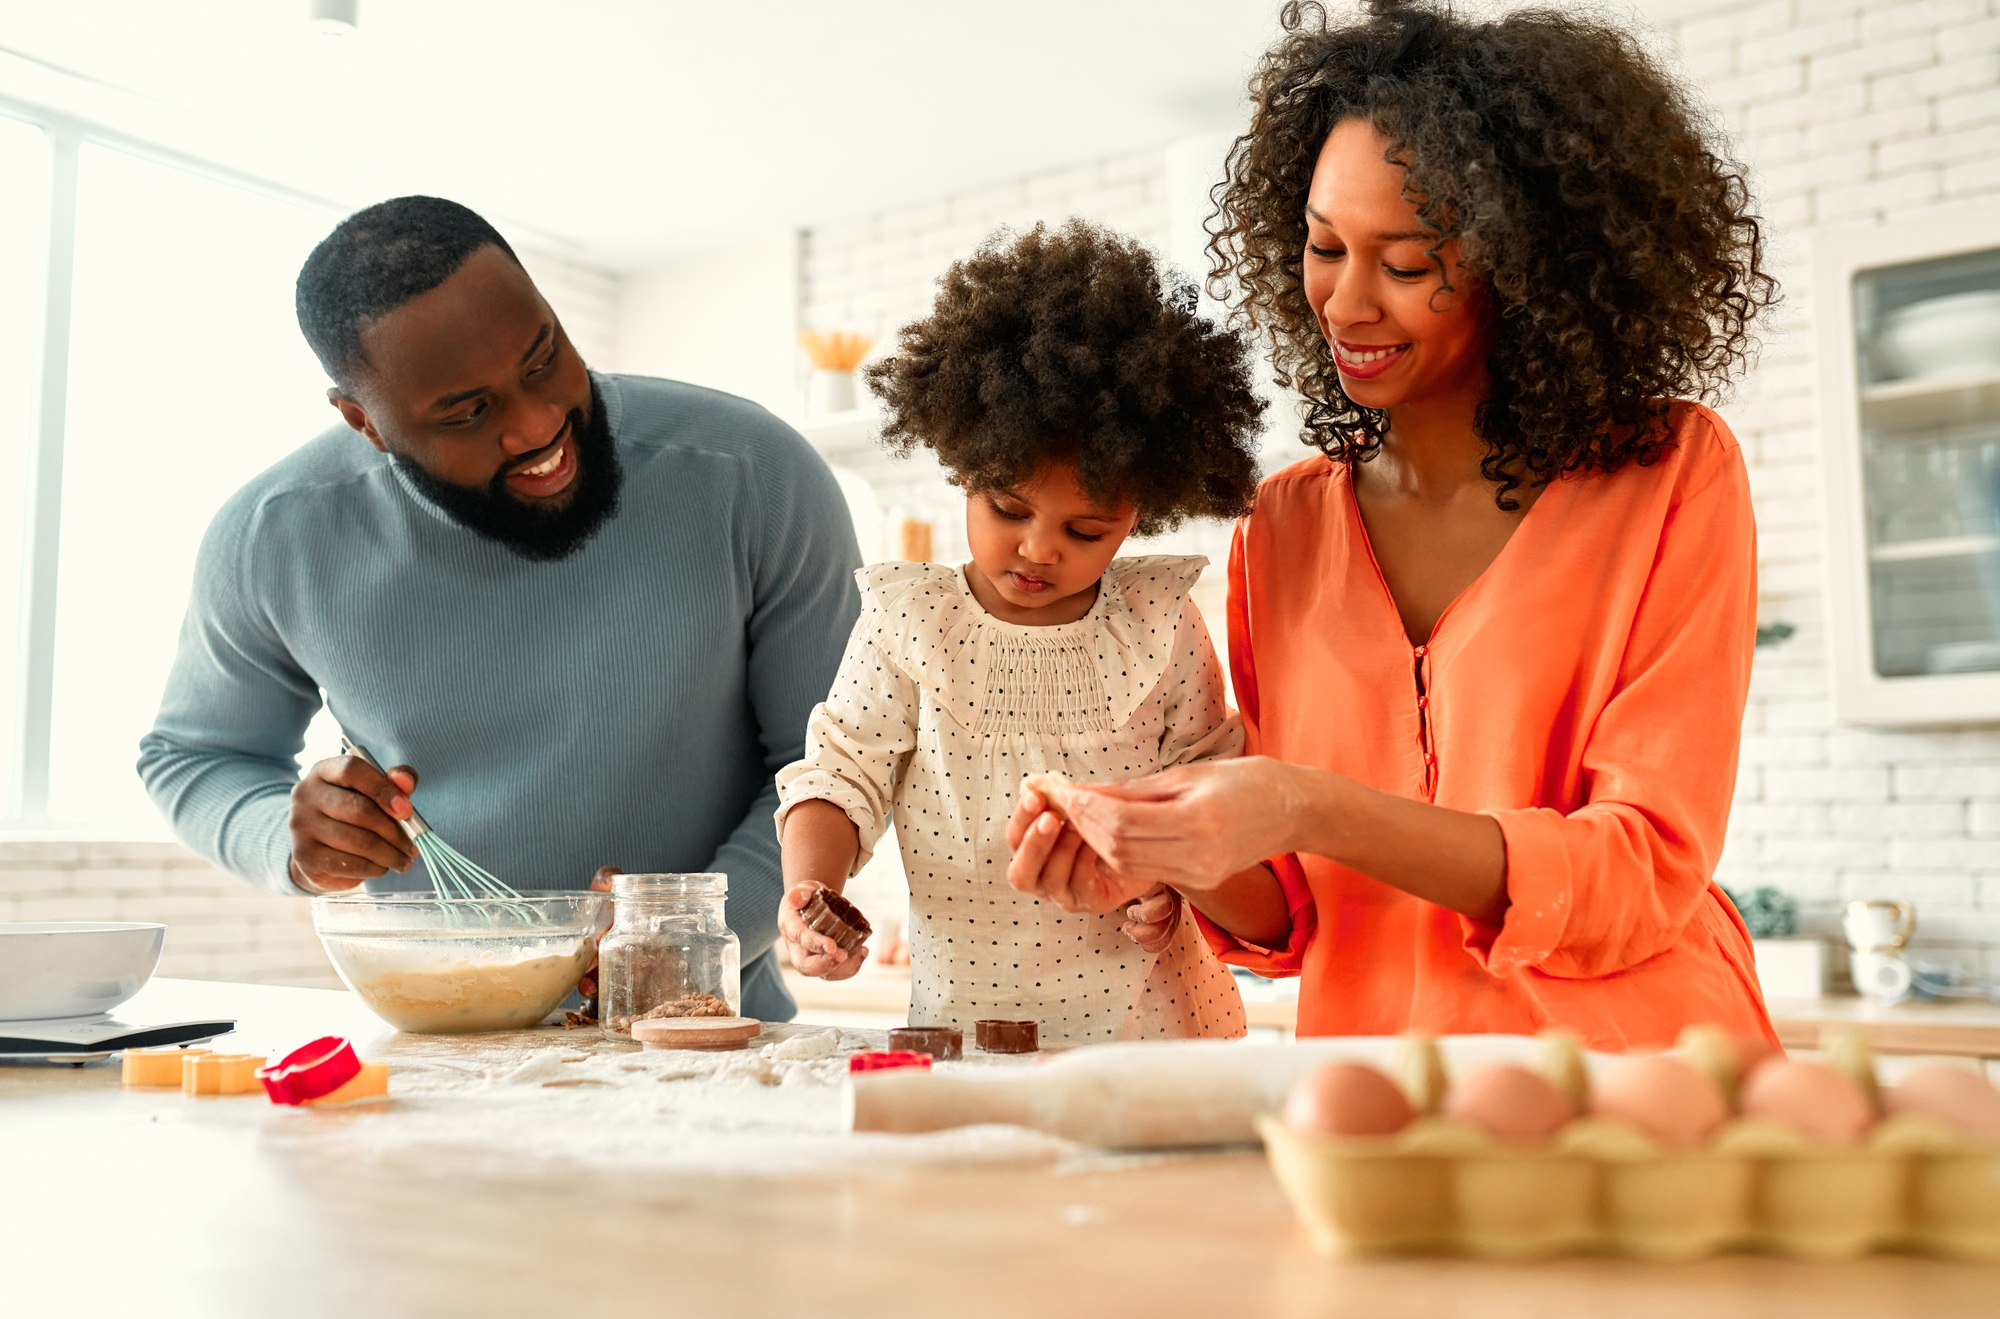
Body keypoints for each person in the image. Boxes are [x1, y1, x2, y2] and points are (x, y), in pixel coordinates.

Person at [1005, 0, 1783, 1052]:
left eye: (1407, 263)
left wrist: (1303, 804)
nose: (1344, 303)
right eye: (1323, 247)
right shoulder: (1284, 521)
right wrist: (1168, 852)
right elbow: (1290, 912)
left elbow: (1640, 866)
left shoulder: (1668, 473)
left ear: (1527, 265)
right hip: (1367, 1097)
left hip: (1630, 1090)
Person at [137, 196, 859, 1021]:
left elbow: (833, 771)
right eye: (469, 412)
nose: (539, 424)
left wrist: (680, 941)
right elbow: (192, 756)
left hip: (711, 1041)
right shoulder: (272, 537)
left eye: (544, 356)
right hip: (438, 1054)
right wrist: (291, 842)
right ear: (363, 421)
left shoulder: (755, 475)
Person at [774, 221, 1265, 1042]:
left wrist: (1168, 879)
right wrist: (810, 890)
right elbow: (838, 773)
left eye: (1087, 530)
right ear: (964, 466)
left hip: (1159, 1028)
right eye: (1008, 509)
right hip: (969, 1027)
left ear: (1140, 511)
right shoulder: (908, 622)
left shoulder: (1160, 619)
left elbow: (1214, 806)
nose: (1039, 549)